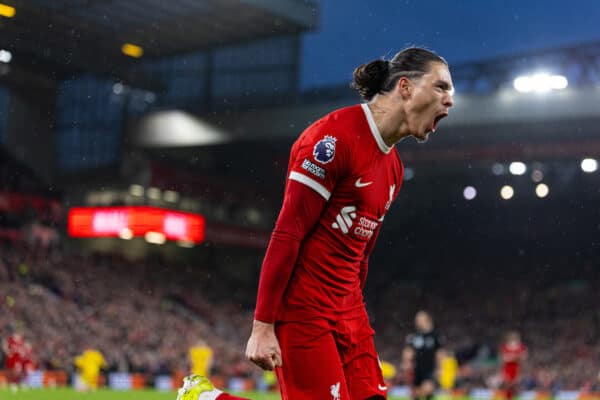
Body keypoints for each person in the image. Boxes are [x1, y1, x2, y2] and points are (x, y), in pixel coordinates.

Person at [177, 46, 454, 400]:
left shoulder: (395, 170)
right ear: (405, 87)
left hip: (348, 309)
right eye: (441, 87)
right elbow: (288, 232)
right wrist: (263, 326)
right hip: (303, 309)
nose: (449, 100)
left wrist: (355, 316)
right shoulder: (333, 139)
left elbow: (361, 256)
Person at [404, 311, 443, 400]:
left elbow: (439, 353)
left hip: (430, 368)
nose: (417, 322)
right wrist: (406, 362)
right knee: (415, 394)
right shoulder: (414, 335)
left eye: (419, 320)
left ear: (426, 320)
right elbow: (408, 350)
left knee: (427, 389)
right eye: (416, 320)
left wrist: (440, 368)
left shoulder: (435, 335)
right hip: (417, 368)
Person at [500, 331, 527, 400]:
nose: (514, 340)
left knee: (516, 385)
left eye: (516, 338)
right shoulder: (505, 347)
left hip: (517, 369)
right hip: (508, 369)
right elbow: (505, 358)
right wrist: (516, 357)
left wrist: (513, 357)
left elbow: (524, 357)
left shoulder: (521, 347)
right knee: (508, 385)